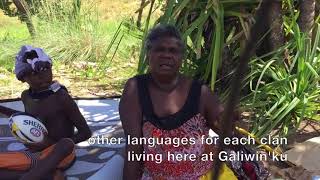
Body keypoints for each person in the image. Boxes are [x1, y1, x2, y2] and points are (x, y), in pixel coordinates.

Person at [119, 25, 237, 180]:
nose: (166, 55)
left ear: (181, 58)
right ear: (149, 54)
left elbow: (229, 137)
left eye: (173, 51)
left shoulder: (200, 92)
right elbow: (134, 146)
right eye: (160, 49)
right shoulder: (135, 90)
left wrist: (229, 125)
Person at [0, 45, 92, 180]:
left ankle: (31, 177)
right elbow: (29, 120)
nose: (42, 76)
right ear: (22, 78)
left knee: (65, 144)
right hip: (35, 156)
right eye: (33, 73)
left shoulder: (61, 97)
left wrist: (51, 144)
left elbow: (86, 133)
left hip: (59, 155)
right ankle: (47, 176)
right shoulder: (26, 96)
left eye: (45, 69)